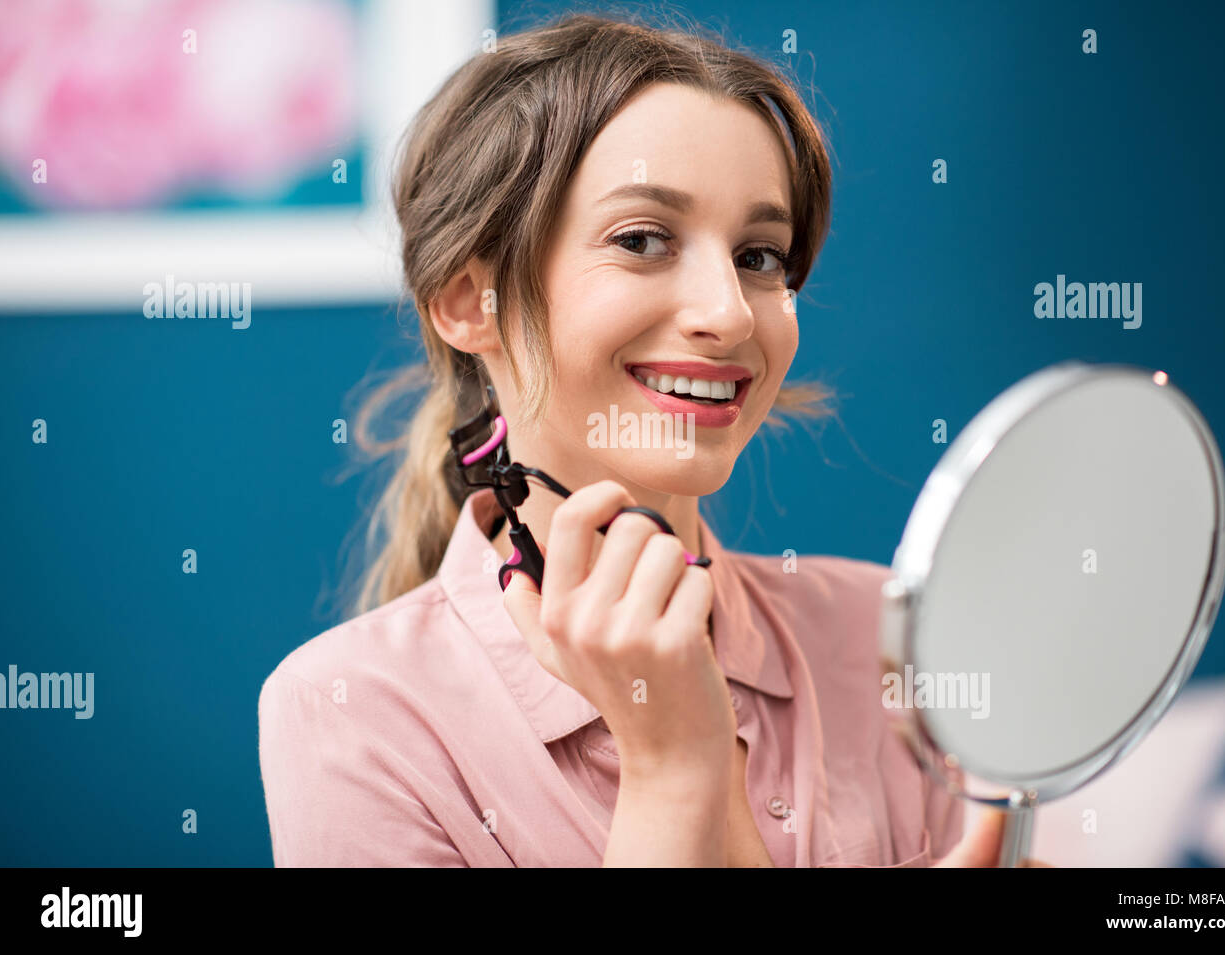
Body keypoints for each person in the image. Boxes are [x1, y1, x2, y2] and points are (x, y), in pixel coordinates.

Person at [258, 10, 1045, 867]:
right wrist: (673, 770)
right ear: (466, 300)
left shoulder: (892, 641)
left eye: (760, 255)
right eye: (642, 240)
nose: (728, 311)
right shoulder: (350, 711)